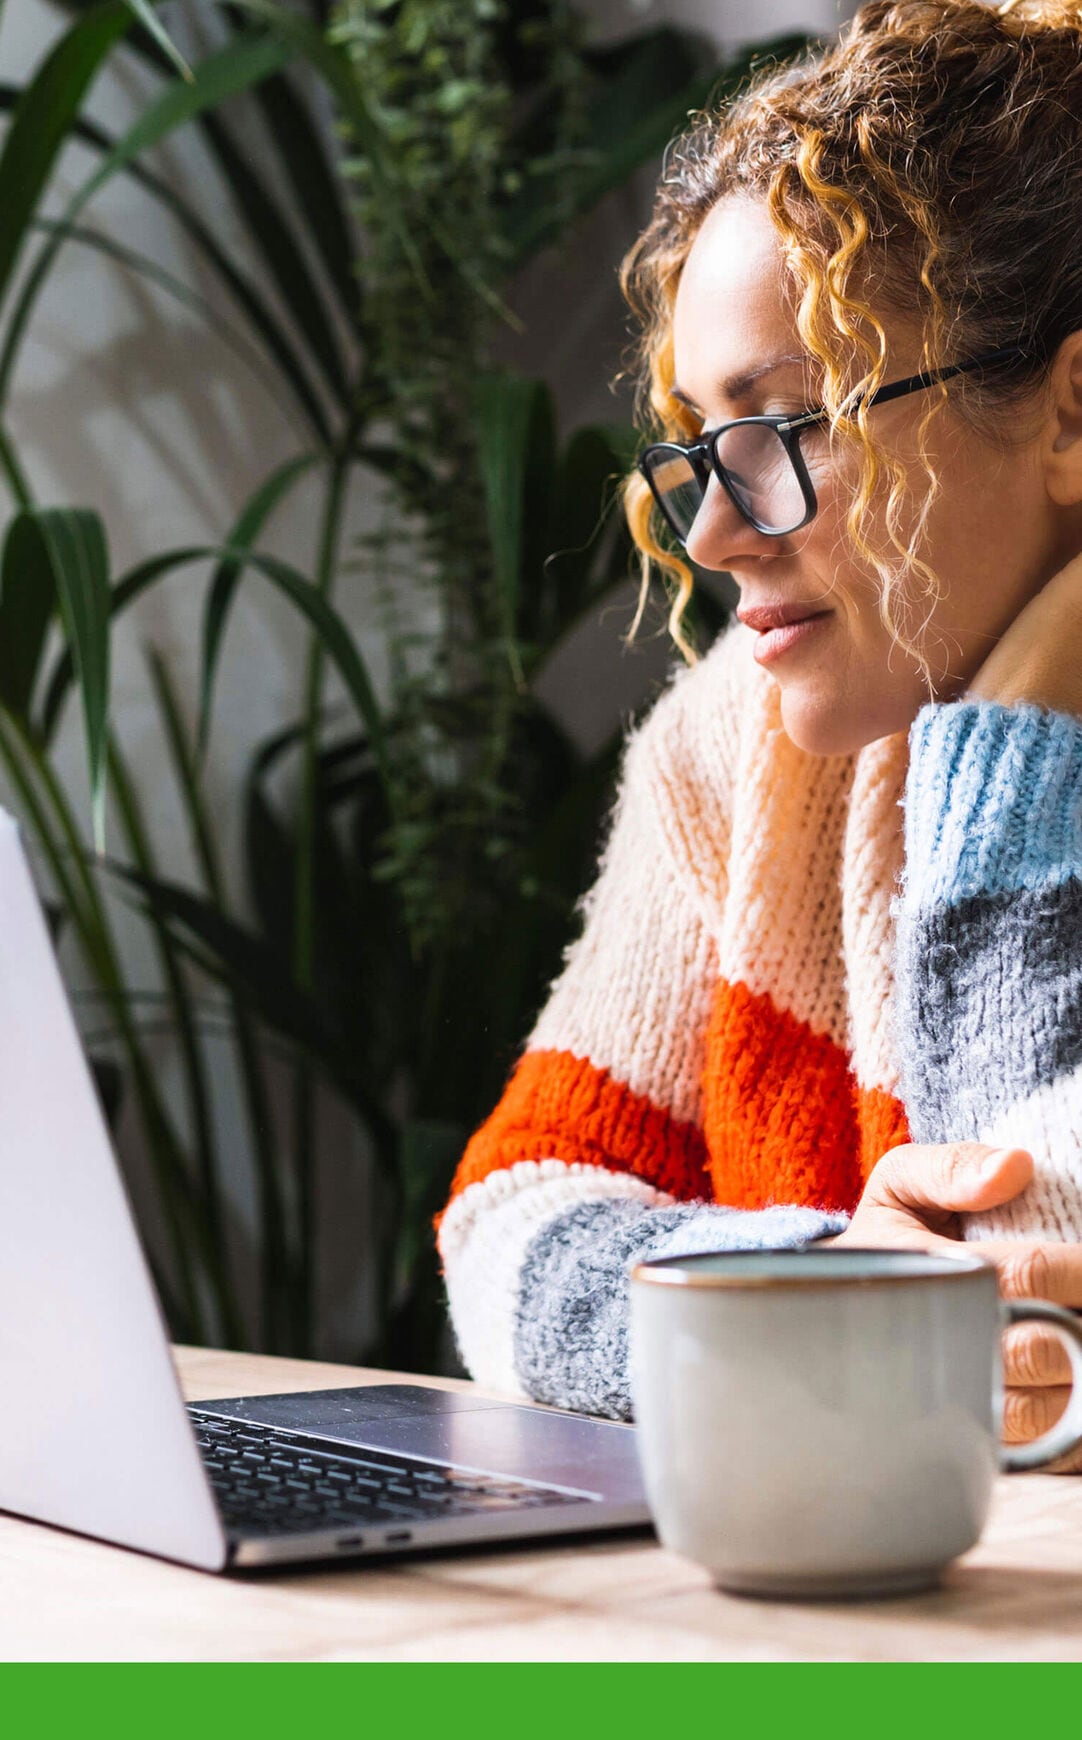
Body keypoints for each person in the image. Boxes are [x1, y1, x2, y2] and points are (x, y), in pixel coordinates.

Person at [439, 0, 1082, 1469]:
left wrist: (1013, 756)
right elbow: (507, 1213)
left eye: (790, 430)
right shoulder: (736, 748)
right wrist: (827, 1277)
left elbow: (1025, 1375)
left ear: (1066, 410)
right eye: (696, 450)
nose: (716, 534)